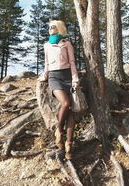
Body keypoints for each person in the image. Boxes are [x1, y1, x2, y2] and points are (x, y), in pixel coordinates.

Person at [39, 20, 79, 159]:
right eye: (49, 27)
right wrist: (44, 76)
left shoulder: (67, 43)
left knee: (71, 113)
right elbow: (46, 63)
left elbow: (72, 62)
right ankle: (59, 131)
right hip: (54, 78)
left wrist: (75, 79)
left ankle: (69, 144)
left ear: (59, 29)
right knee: (66, 103)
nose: (50, 28)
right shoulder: (47, 45)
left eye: (53, 27)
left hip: (68, 76)